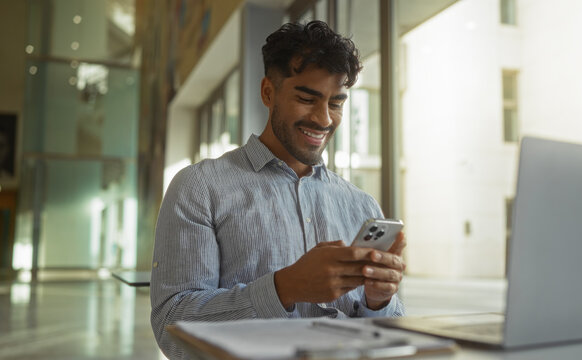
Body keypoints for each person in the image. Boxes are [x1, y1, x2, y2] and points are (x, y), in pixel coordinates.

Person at [151, 20, 406, 359]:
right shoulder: (200, 187)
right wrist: (285, 288)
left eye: (336, 103)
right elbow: (173, 327)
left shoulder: (362, 205)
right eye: (306, 98)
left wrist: (379, 302)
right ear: (268, 92)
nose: (324, 119)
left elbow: (388, 334)